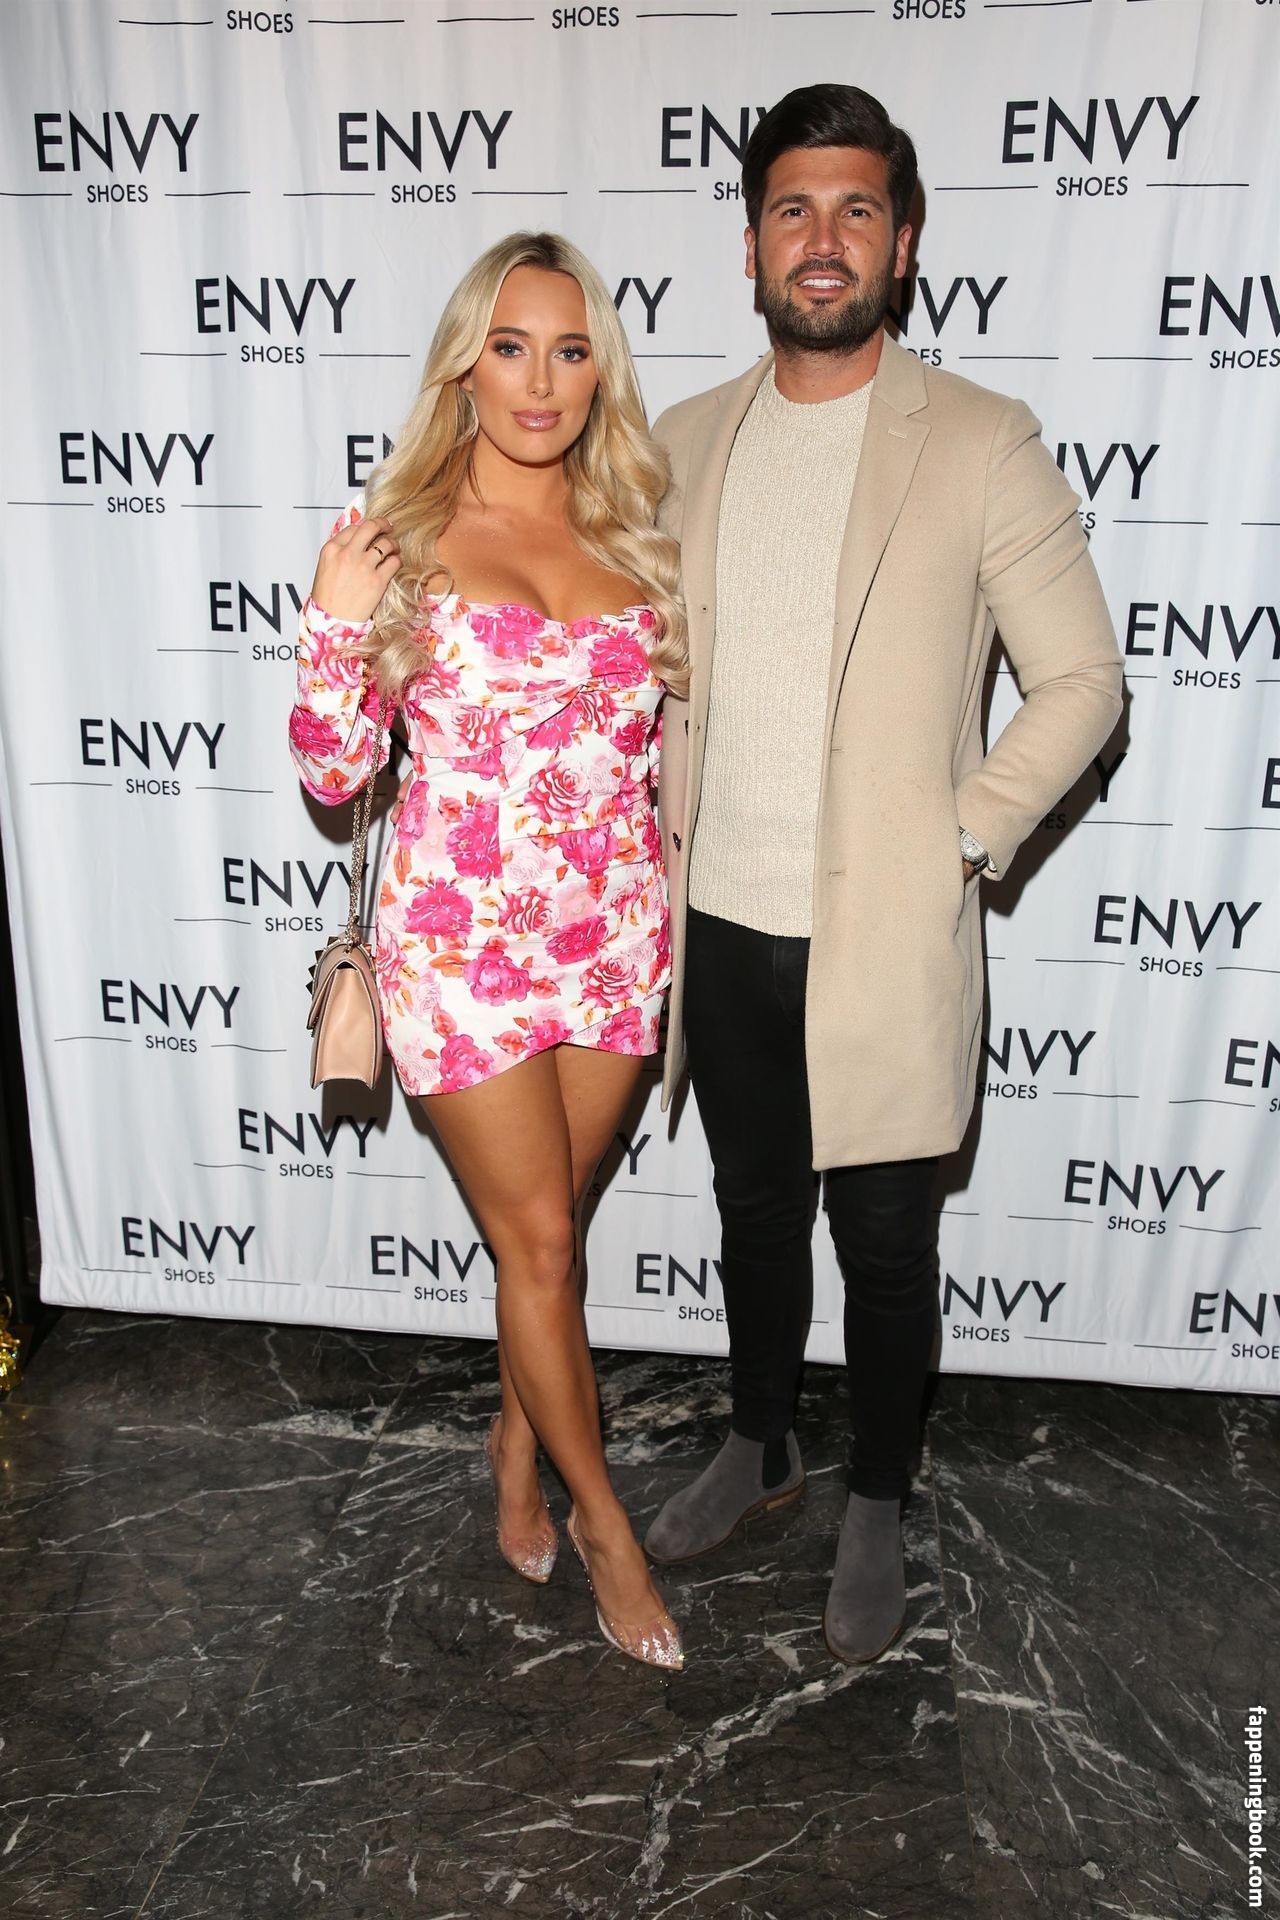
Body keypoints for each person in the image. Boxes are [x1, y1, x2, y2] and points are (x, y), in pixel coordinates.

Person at [643, 85, 1124, 1664]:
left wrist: (963, 835)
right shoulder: (683, 442)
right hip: (721, 919)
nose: (823, 238)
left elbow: (1083, 682)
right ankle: (760, 1438)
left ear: (902, 243)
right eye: (793, 208)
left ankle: (877, 1494)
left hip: (884, 936)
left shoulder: (980, 439)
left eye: (857, 209)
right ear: (751, 245)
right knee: (752, 1213)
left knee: (888, 1247)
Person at [288, 232, 687, 1671]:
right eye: (511, 347)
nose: (540, 381)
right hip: (462, 951)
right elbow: (337, 776)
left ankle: (515, 1451)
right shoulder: (395, 534)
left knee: (550, 1237)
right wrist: (334, 628)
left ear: (600, 375)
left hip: (615, 938)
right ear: (465, 364)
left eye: (571, 352)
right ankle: (605, 1524)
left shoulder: (634, 529)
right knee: (541, 1242)